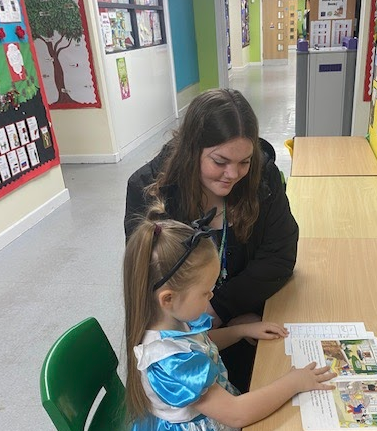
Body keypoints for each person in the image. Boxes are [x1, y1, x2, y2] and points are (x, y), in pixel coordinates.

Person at [125, 88, 299, 392]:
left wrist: (225, 309)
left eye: (244, 161)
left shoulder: (262, 176)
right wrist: (206, 322)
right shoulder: (148, 189)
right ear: (192, 149)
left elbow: (280, 253)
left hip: (241, 325)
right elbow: (149, 281)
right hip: (181, 339)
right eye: (219, 161)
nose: (233, 174)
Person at [123, 207, 335, 431]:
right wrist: (293, 383)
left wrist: (241, 331)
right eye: (205, 292)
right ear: (168, 299)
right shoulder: (170, 362)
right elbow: (236, 414)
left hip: (221, 407)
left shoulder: (173, 319)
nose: (211, 296)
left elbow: (202, 343)